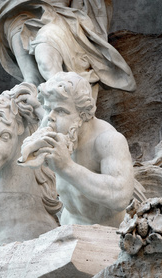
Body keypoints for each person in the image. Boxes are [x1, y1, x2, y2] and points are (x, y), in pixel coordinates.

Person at [0, 0, 136, 99]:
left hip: (61, 17)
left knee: (47, 60)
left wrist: (83, 26)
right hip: (17, 16)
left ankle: (67, 118)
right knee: (30, 83)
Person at [31, 71, 134, 227]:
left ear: (83, 114)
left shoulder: (108, 140)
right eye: (47, 109)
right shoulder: (65, 138)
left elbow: (120, 197)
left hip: (108, 235)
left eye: (60, 111)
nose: (50, 117)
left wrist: (67, 167)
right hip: (68, 229)